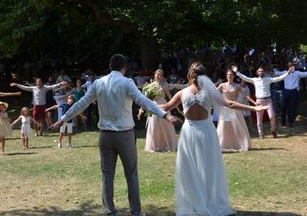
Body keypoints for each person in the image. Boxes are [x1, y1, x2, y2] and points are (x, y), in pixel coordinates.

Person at [53, 54, 180, 216]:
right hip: (125, 135)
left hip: (105, 136)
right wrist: (166, 115)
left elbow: (81, 104)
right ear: (124, 67)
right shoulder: (127, 82)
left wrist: (62, 119)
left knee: (107, 176)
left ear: (109, 66)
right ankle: (135, 211)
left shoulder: (98, 83)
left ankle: (110, 211)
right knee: (131, 175)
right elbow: (144, 101)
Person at [160, 62, 266, 215]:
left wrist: (145, 103)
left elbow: (166, 106)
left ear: (190, 75)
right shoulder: (209, 92)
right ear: (204, 75)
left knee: (191, 167)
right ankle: (207, 200)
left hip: (189, 132)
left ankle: (196, 201)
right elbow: (228, 103)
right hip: (205, 132)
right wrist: (253, 108)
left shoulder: (183, 93)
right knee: (208, 166)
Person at [232, 65, 294, 139]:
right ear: (257, 72)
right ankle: (261, 134)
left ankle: (273, 131)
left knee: (272, 116)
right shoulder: (254, 80)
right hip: (259, 101)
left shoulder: (268, 79)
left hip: (268, 100)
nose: (261, 72)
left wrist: (288, 73)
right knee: (259, 119)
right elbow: (245, 78)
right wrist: (236, 72)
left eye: (262, 71)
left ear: (264, 72)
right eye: (259, 71)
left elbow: (278, 78)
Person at [138, 69, 181, 152]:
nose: (159, 76)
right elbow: (145, 99)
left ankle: (167, 144)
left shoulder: (164, 85)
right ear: (154, 75)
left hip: (164, 106)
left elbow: (170, 97)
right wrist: (141, 109)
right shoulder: (150, 86)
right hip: (154, 106)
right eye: (158, 75)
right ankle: (155, 145)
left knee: (166, 125)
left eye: (161, 75)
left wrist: (177, 107)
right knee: (154, 126)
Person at [217, 70, 256, 151]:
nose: (229, 76)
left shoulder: (237, 86)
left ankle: (238, 143)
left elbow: (245, 96)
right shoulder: (222, 85)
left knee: (237, 127)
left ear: (234, 76)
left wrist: (254, 103)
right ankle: (223, 144)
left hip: (235, 108)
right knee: (224, 127)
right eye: (228, 74)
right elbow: (214, 94)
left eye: (231, 75)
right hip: (225, 109)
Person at [274, 62, 307, 127]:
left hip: (294, 91)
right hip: (286, 91)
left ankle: (291, 122)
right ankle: (283, 122)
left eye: (292, 66)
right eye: (290, 66)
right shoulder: (285, 72)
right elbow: (276, 73)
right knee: (283, 107)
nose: (291, 67)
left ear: (294, 66)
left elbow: (306, 74)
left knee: (292, 107)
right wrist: (272, 68)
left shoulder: (298, 73)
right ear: (288, 67)